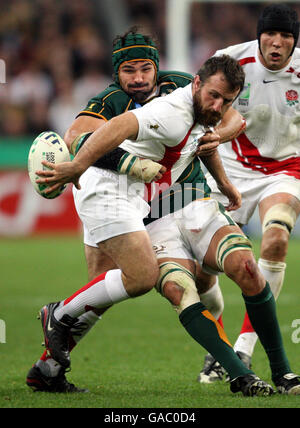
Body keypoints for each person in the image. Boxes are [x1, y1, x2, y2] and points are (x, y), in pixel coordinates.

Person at [32, 55, 300, 396]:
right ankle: (59, 315)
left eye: (227, 101)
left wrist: (226, 184)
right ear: (199, 85)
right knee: (138, 279)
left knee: (235, 268)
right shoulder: (165, 111)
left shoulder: (196, 103)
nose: (219, 106)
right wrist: (75, 168)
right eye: (215, 97)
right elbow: (109, 128)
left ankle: (47, 368)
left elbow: (203, 140)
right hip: (112, 192)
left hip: (148, 199)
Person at [196, 3, 300, 387]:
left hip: (286, 170)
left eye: (286, 36)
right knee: (202, 268)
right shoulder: (228, 64)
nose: (277, 42)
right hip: (231, 170)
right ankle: (219, 346)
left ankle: (243, 346)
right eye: (270, 34)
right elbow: (201, 112)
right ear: (259, 36)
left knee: (275, 239)